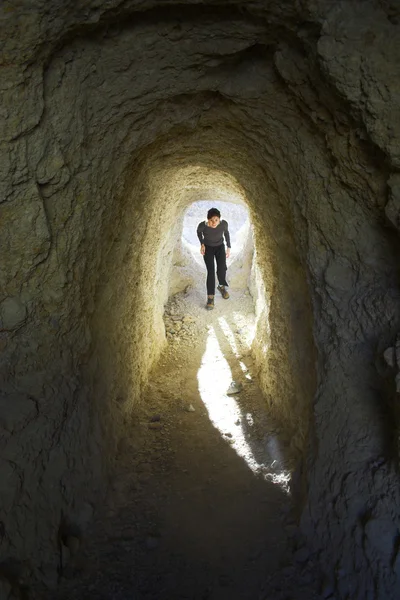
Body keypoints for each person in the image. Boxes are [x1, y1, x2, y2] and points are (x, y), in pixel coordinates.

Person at [197, 208, 231, 310]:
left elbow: (226, 233)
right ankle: (210, 298)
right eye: (211, 220)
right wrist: (202, 243)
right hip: (208, 249)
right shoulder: (203, 225)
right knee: (211, 271)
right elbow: (199, 232)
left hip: (220, 247)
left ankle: (221, 286)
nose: (214, 222)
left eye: (216, 220)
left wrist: (228, 247)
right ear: (208, 220)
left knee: (222, 268)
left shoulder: (223, 224)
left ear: (219, 219)